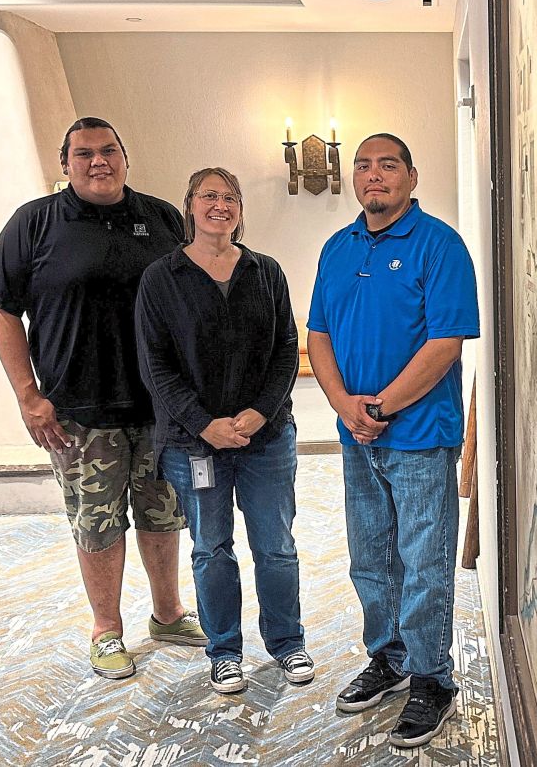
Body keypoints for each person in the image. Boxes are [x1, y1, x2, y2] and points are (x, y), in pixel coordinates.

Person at [0, 117, 206, 679]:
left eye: (109, 151)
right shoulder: (35, 222)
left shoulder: (160, 218)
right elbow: (1, 309)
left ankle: (169, 614)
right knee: (97, 522)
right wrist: (29, 396)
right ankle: (107, 630)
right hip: (78, 413)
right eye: (84, 154)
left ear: (125, 157)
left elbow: (190, 299)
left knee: (163, 514)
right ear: (66, 164)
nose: (98, 161)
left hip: (158, 407)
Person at [307, 133, 479, 748]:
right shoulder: (337, 248)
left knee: (424, 562)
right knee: (371, 559)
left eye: (387, 165)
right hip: (358, 439)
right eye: (363, 166)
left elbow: (445, 344)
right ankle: (389, 658)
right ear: (353, 180)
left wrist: (379, 405)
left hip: (421, 438)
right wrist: (344, 405)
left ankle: (432, 678)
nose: (373, 175)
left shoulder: (440, 245)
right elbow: (319, 336)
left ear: (411, 176)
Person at [135, 167, 312, 695]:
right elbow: (156, 365)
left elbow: (286, 348)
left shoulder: (266, 272)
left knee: (276, 545)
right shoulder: (160, 279)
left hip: (267, 437)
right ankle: (225, 651)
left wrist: (260, 411)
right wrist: (202, 423)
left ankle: (287, 642)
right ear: (188, 206)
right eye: (209, 195)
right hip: (195, 444)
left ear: (239, 209)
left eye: (230, 196)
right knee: (212, 548)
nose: (221, 204)